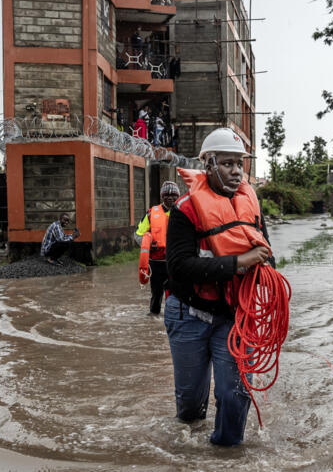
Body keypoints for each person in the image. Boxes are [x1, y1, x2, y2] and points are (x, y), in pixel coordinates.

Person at [164, 127, 274, 447]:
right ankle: (190, 443)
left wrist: (266, 267)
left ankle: (227, 455)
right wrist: (239, 263)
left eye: (240, 163)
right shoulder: (185, 210)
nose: (236, 171)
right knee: (189, 405)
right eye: (227, 163)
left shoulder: (250, 204)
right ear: (208, 164)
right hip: (189, 313)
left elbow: (264, 252)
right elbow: (179, 267)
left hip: (235, 315)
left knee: (235, 393)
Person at [135, 181, 181, 315]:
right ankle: (153, 318)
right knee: (156, 294)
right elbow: (138, 234)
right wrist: (148, 244)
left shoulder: (183, 213)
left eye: (174, 195)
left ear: (178, 196)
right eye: (167, 195)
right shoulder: (151, 214)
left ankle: (171, 318)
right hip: (156, 263)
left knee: (174, 296)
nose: (170, 198)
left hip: (175, 262)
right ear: (162, 196)